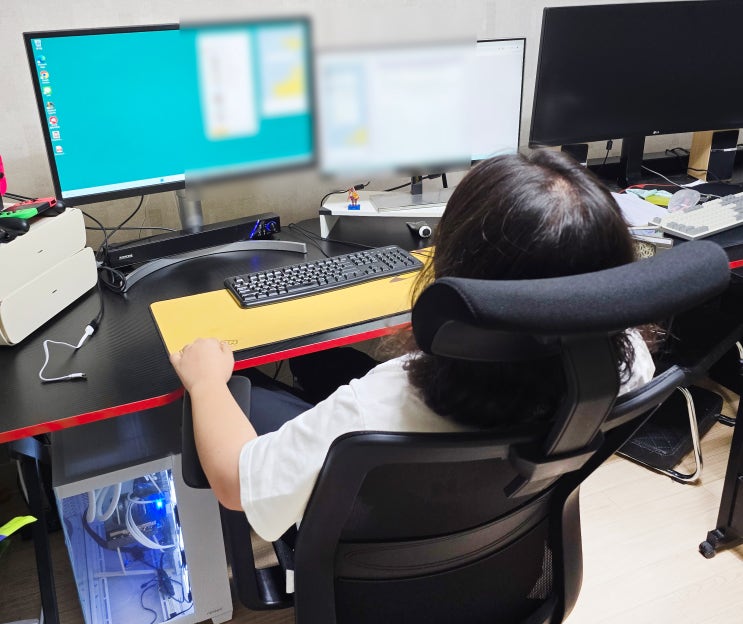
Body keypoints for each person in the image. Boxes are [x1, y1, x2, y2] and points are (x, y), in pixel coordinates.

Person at [169, 150, 655, 543]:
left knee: (247, 385)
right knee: (320, 358)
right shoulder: (630, 363)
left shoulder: (378, 407)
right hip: (501, 545)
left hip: (374, 577)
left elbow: (234, 484)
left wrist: (207, 383)